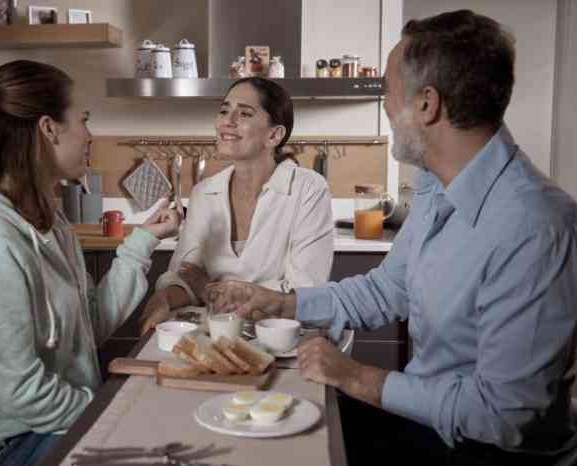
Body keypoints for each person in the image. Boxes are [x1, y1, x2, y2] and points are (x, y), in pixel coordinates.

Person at [208, 10, 577, 466]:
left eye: (387, 89)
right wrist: (281, 303)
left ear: (427, 104)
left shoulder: (534, 226)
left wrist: (355, 376)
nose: (383, 102)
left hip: (487, 452)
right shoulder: (436, 185)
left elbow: (503, 416)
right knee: (270, 439)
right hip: (430, 428)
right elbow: (388, 290)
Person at [0, 60, 181, 465]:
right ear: (48, 128)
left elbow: (88, 325)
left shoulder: (50, 222)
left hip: (48, 422)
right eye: (84, 120)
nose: (90, 135)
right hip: (3, 444)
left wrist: (143, 239)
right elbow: (22, 391)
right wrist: (110, 411)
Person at [139, 77, 334, 335]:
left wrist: (207, 288)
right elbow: (183, 275)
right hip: (215, 334)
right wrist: (163, 299)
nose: (227, 121)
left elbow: (304, 292)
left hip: (281, 337)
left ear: (274, 135)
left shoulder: (308, 189)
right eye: (224, 110)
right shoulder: (204, 193)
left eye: (244, 113)